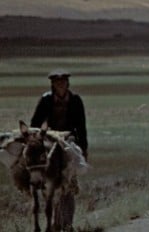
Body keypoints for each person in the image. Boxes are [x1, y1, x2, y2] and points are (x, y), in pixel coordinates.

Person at [30, 70, 88, 231]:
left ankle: (67, 224)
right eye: (57, 82)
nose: (60, 84)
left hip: (68, 139)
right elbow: (35, 123)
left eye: (63, 82)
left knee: (68, 183)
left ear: (67, 84)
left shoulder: (75, 100)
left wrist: (83, 149)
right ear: (53, 84)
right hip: (49, 138)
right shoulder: (46, 100)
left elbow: (81, 127)